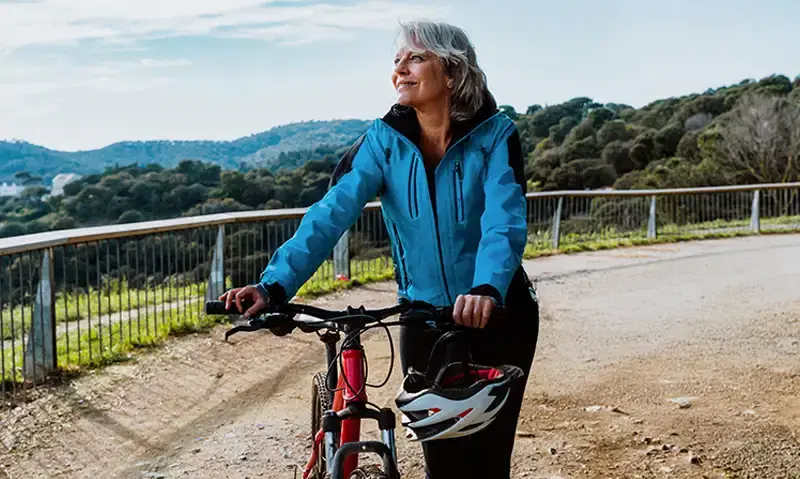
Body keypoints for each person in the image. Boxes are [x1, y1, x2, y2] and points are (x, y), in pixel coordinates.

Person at [219, 20, 539, 479]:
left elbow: (503, 221)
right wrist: (274, 284)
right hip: (424, 319)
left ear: (451, 71)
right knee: (443, 465)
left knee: (487, 463)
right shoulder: (382, 142)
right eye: (396, 61)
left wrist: (487, 287)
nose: (400, 70)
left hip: (497, 313)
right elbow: (330, 214)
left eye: (415, 58)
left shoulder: (495, 135)